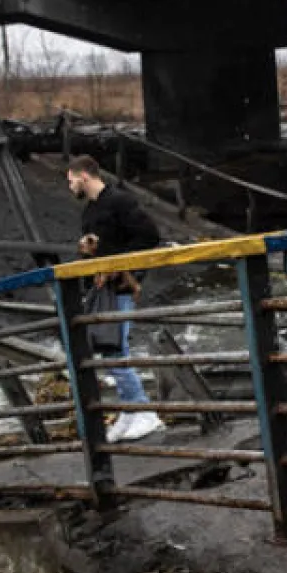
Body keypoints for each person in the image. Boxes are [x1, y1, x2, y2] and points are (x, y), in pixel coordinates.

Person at [67, 155, 165, 443]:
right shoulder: (89, 212)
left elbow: (150, 236)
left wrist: (117, 264)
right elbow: (105, 247)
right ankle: (130, 409)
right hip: (101, 288)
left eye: (70, 179)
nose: (70, 185)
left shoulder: (120, 201)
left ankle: (144, 412)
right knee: (107, 348)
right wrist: (89, 249)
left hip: (121, 284)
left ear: (84, 175)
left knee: (115, 348)